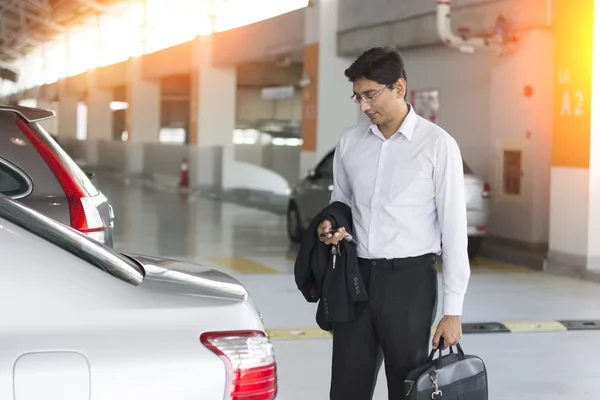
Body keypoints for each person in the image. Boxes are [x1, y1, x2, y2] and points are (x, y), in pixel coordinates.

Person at [317, 45, 471, 399]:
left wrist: (453, 311)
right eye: (357, 98)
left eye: (370, 95)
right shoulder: (350, 142)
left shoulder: (437, 145)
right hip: (355, 277)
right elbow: (340, 201)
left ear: (399, 87)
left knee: (407, 385)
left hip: (410, 282)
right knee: (346, 384)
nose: (364, 107)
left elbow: (453, 231)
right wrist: (332, 226)